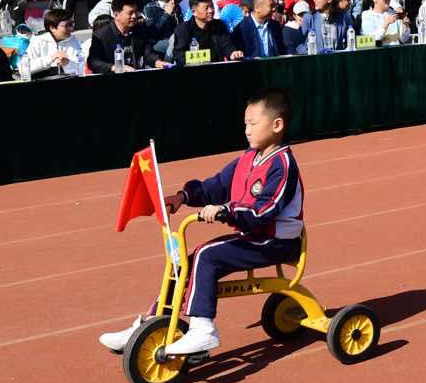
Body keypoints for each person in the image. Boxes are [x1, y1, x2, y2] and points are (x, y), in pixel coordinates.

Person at [102, 91, 303, 361]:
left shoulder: (282, 165)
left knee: (207, 256)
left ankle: (203, 327)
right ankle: (151, 322)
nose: (246, 130)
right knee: (184, 264)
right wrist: (183, 197)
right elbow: (218, 185)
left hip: (276, 241)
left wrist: (226, 211)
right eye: (245, 124)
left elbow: (264, 209)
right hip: (254, 235)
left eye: (253, 124)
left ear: (277, 125)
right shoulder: (249, 157)